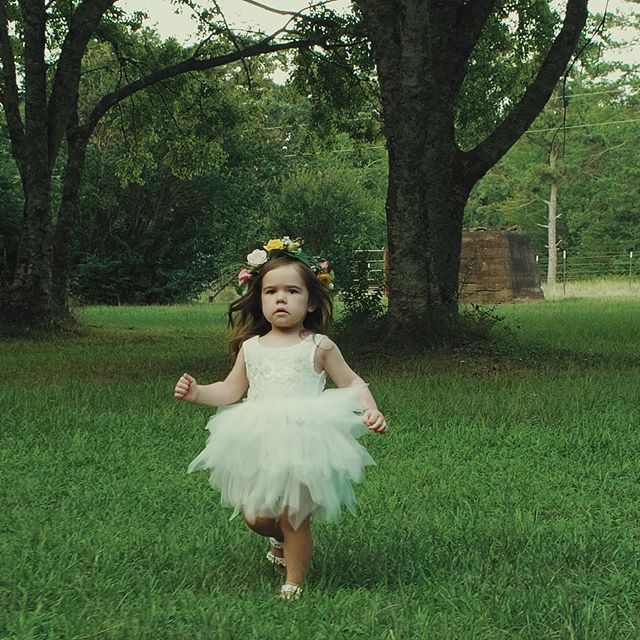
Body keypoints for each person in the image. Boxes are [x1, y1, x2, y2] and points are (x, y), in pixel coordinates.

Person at [174, 237, 387, 600]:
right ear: (259, 299)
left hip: (307, 439)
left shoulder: (318, 346)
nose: (281, 298)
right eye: (271, 291)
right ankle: (276, 540)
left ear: (311, 302)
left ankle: (293, 583)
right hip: (259, 439)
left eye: (292, 291)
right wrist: (198, 393)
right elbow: (230, 390)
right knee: (256, 517)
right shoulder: (251, 347)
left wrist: (370, 409)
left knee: (294, 516)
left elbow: (350, 381)